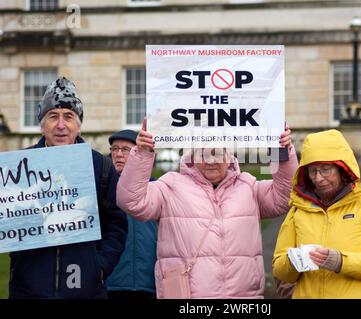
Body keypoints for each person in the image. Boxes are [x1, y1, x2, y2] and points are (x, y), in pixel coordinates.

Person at [116, 118, 298, 298]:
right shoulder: (171, 185)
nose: (211, 160)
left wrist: (280, 150)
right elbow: (132, 201)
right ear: (193, 156)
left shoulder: (248, 186)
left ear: (229, 155)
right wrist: (143, 152)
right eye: (203, 154)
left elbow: (284, 197)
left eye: (217, 153)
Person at [9, 77, 128, 299]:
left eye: (69, 116)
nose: (61, 125)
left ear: (78, 124)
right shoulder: (18, 167)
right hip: (29, 289)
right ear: (42, 125)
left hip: (85, 288)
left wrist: (99, 267)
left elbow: (116, 224)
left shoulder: (100, 166)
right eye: (53, 116)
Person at [272, 129, 361, 299]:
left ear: (342, 169)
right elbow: (280, 271)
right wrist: (295, 261)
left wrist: (341, 262)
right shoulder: (297, 209)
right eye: (312, 171)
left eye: (325, 169)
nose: (318, 178)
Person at [106, 129, 158, 300]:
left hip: (149, 283)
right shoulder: (101, 188)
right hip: (111, 282)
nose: (118, 154)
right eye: (115, 149)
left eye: (125, 149)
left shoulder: (156, 188)